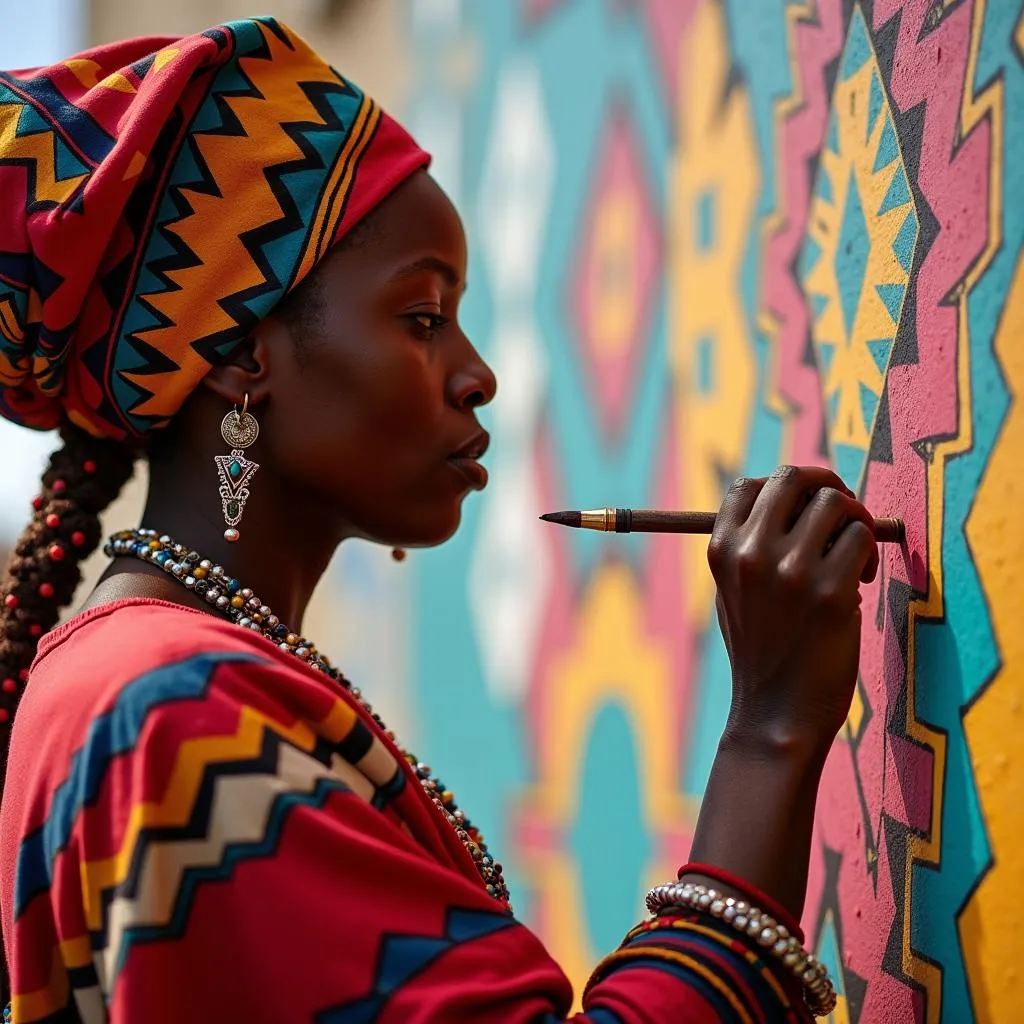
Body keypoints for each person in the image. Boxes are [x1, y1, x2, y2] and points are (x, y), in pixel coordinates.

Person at [0, 18, 880, 1023]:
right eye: (422, 318)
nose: (478, 375)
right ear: (243, 357)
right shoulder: (173, 708)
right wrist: (767, 727)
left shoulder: (147, 677)